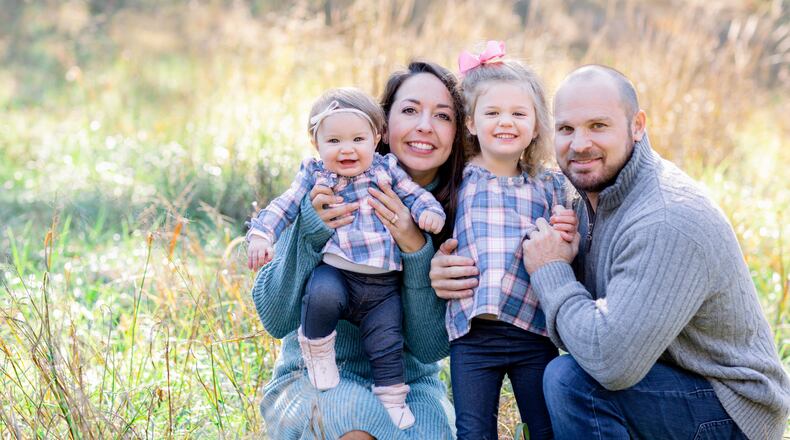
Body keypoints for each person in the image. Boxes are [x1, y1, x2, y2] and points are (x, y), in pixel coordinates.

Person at [516, 65, 790, 439]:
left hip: (731, 408)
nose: (579, 144)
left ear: (637, 125)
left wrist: (551, 270)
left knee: (571, 382)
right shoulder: (582, 195)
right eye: (566, 129)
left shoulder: (666, 218)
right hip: (666, 379)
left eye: (598, 126)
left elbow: (611, 363)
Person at [250, 61, 465, 439]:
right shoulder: (324, 185)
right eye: (410, 110)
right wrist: (312, 231)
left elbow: (429, 348)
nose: (424, 126)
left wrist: (415, 249)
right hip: (312, 378)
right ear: (382, 126)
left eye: (443, 116)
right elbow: (275, 318)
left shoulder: (456, 209)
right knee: (354, 425)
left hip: (408, 384)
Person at [445, 42, 575, 440]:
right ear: (470, 122)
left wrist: (567, 232)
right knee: (473, 431)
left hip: (533, 327)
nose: (506, 122)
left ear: (536, 125)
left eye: (519, 113)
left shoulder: (549, 185)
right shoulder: (458, 181)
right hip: (473, 334)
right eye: (492, 113)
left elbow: (568, 243)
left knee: (546, 426)